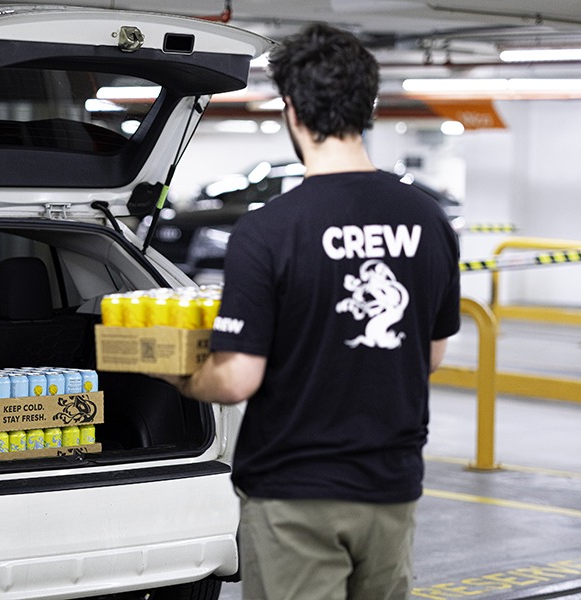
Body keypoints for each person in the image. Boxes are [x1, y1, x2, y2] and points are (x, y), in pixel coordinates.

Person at [160, 22, 461, 600]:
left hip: (294, 493)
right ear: (366, 106)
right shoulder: (428, 221)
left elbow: (237, 379)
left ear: (293, 110)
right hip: (391, 486)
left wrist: (177, 371)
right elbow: (431, 355)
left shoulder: (269, 230)